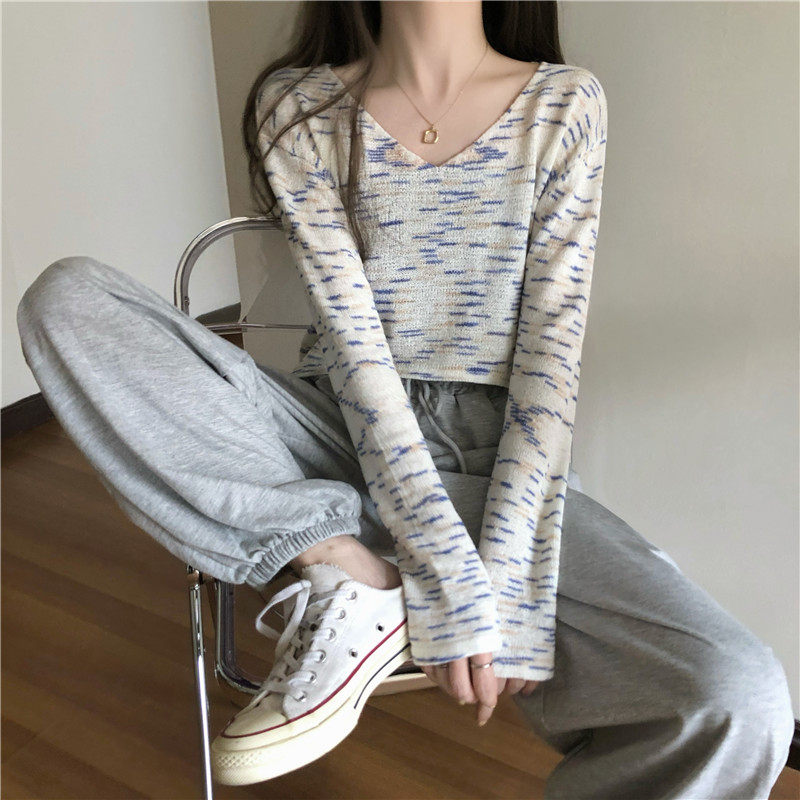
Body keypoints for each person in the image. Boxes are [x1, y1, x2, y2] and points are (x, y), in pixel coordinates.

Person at [15, 1, 795, 796]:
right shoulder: (299, 106)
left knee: (740, 698)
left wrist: (505, 577)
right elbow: (357, 354)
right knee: (68, 298)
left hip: (499, 468)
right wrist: (438, 568)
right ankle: (344, 568)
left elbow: (550, 363)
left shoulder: (565, 102)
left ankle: (358, 573)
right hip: (334, 432)